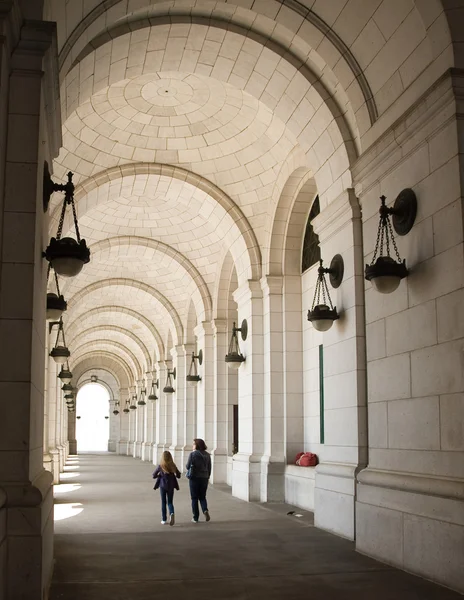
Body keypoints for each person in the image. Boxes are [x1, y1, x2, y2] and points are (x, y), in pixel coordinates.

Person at [186, 438, 211, 523]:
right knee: (202, 497)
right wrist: (207, 476)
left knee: (194, 498)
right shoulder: (208, 455)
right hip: (204, 478)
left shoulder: (193, 454)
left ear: (197, 445)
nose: (192, 445)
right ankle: (205, 510)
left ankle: (195, 517)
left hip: (194, 478)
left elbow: (187, 466)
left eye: (194, 444)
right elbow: (209, 468)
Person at [153, 451, 181, 526]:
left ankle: (164, 519)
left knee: (163, 502)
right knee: (170, 502)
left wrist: (159, 475)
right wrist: (175, 474)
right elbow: (178, 475)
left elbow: (153, 475)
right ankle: (171, 512)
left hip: (163, 486)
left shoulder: (161, 466)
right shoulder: (173, 465)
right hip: (171, 486)